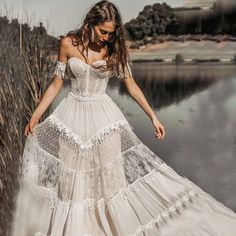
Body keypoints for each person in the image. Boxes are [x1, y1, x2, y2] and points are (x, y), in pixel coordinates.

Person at [11, 1, 236, 236]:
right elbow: (56, 84)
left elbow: (131, 86)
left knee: (110, 181)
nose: (107, 37)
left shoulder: (114, 48)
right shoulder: (68, 43)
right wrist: (35, 116)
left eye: (111, 33)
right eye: (103, 31)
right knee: (72, 183)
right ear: (91, 23)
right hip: (72, 119)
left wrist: (153, 116)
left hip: (104, 120)